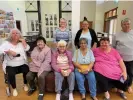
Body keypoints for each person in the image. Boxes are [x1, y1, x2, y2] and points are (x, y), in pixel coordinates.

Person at [0, 28, 29, 96]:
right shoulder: (6, 43)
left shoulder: (21, 43)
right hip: (11, 64)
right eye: (13, 33)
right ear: (10, 35)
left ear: (19, 35)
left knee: (26, 69)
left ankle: (25, 84)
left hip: (22, 63)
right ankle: (14, 88)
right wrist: (8, 51)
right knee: (11, 73)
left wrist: (23, 41)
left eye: (17, 33)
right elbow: (0, 50)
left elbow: (27, 48)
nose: (15, 34)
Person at [113, 18, 133, 93]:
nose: (126, 25)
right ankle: (120, 86)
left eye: (128, 24)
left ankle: (128, 86)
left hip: (131, 57)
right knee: (120, 73)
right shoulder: (116, 35)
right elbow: (114, 47)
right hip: (120, 59)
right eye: (124, 24)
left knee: (130, 73)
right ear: (121, 25)